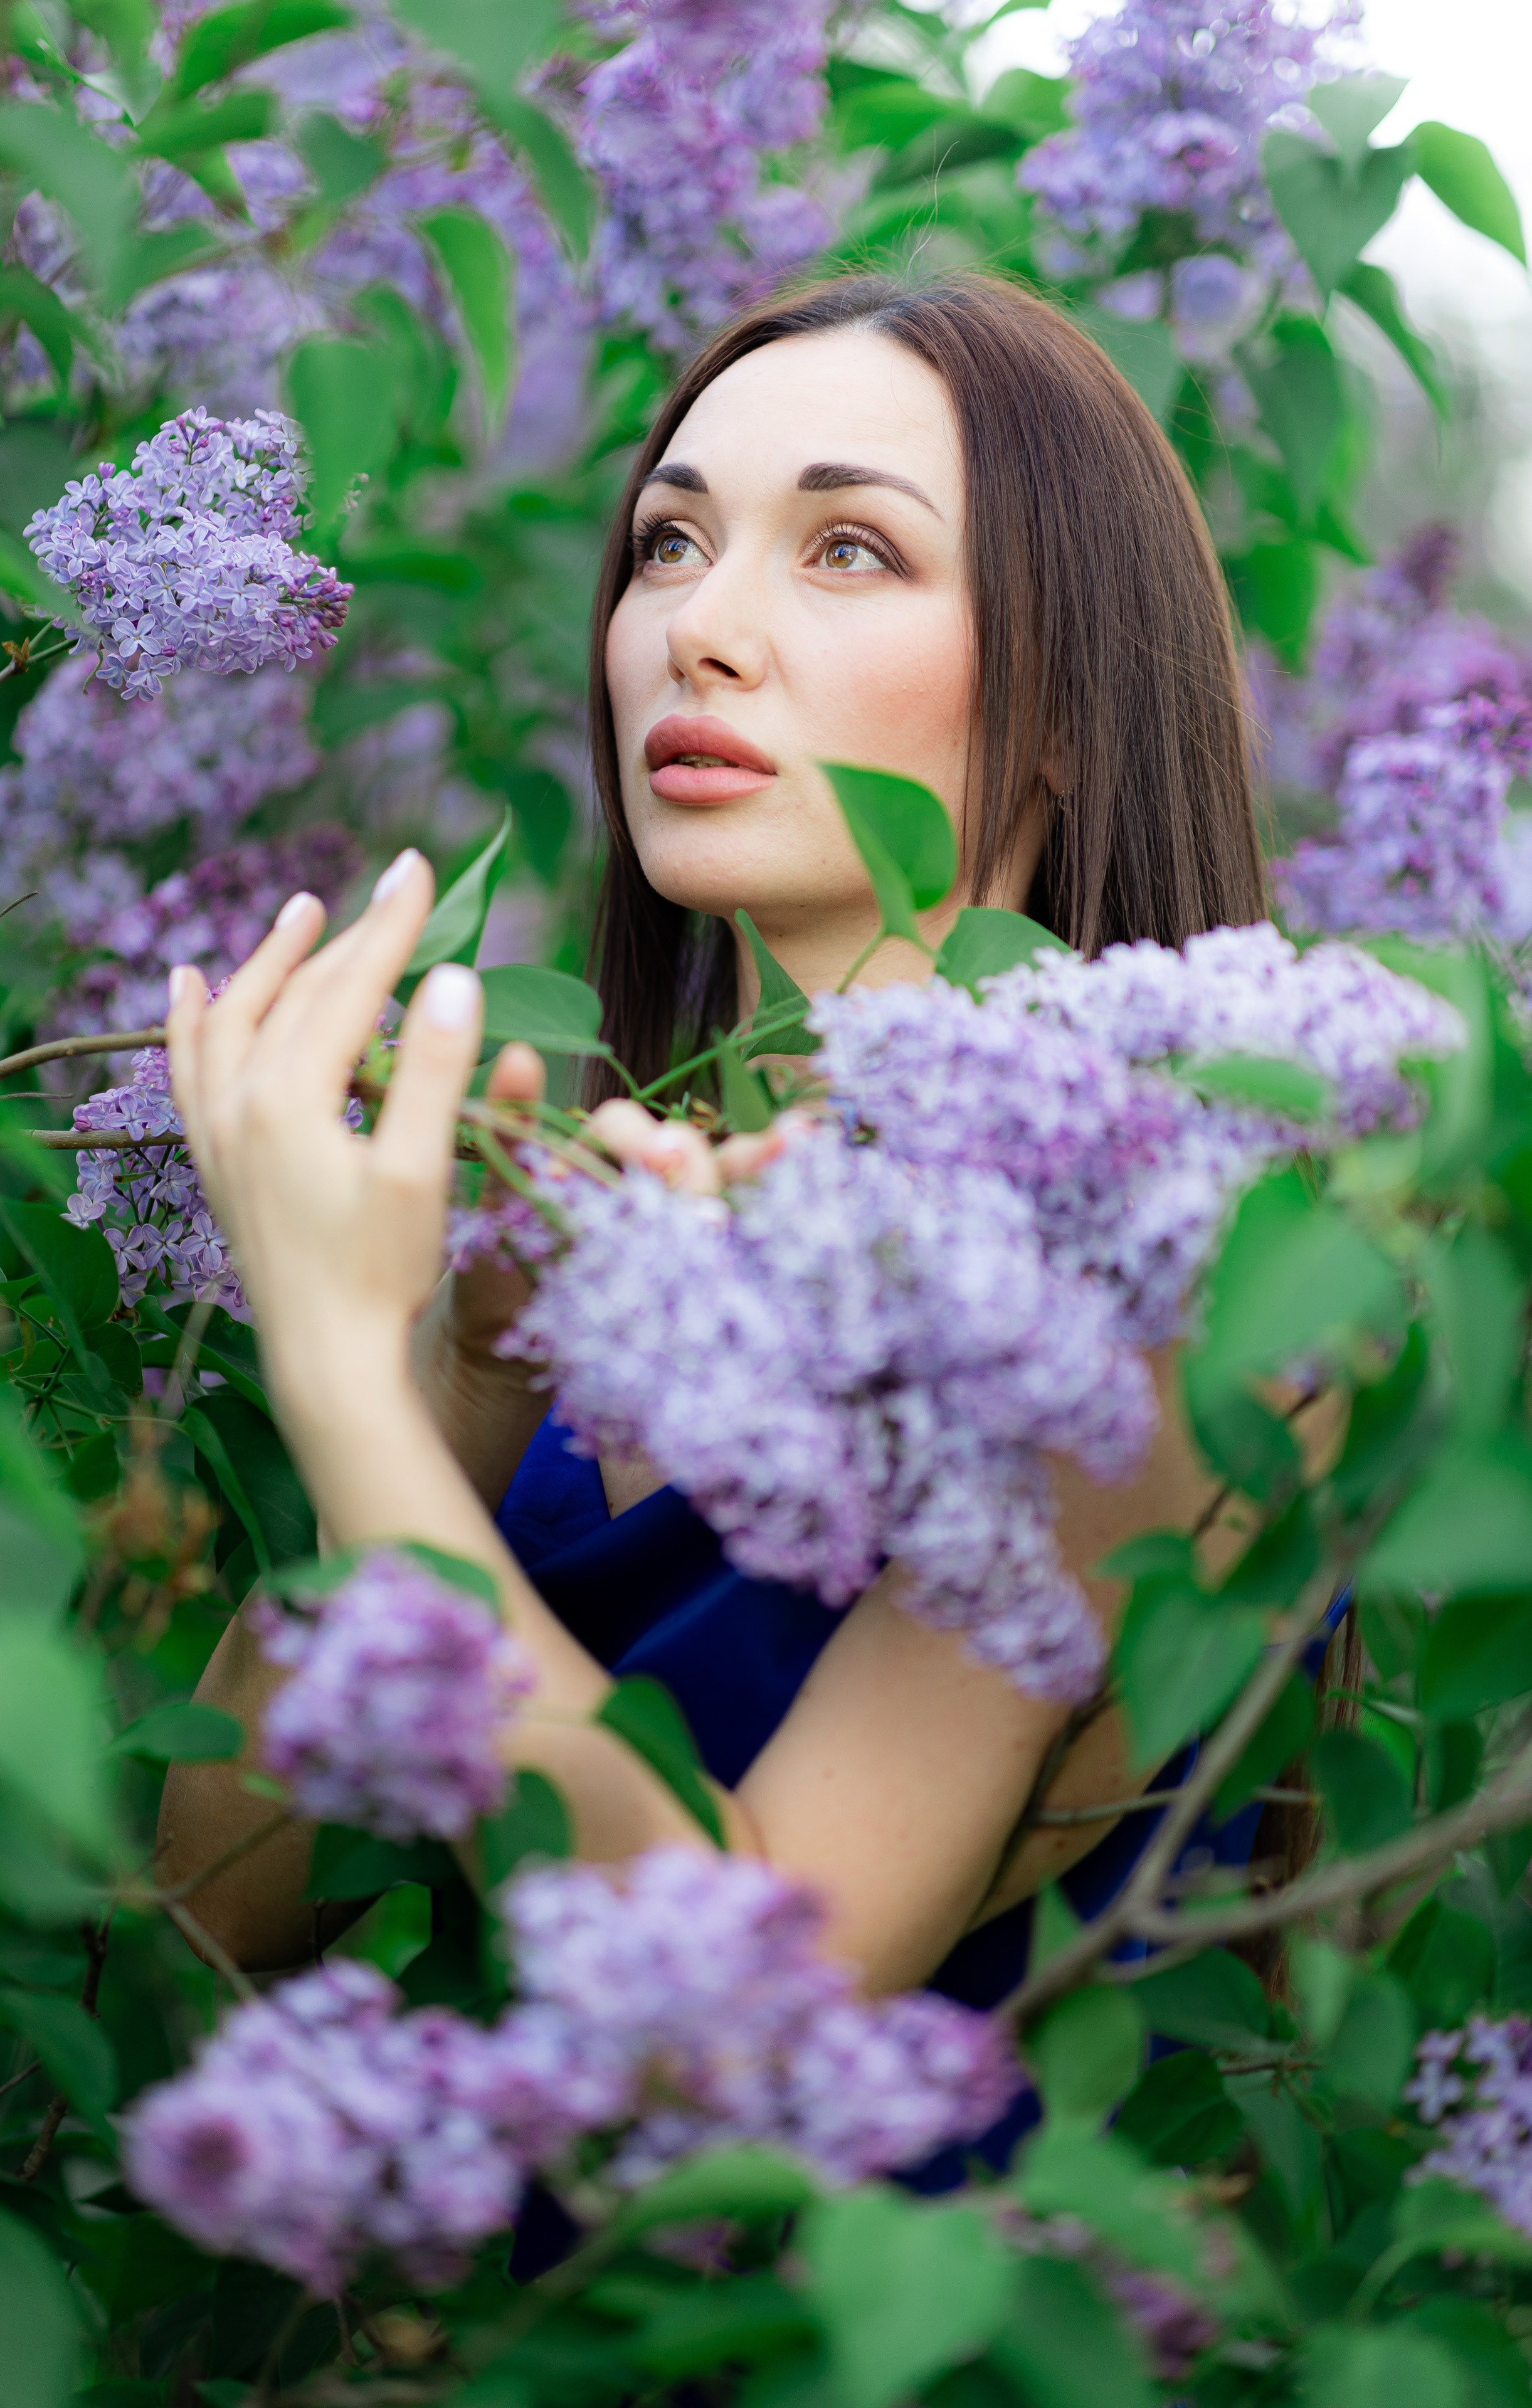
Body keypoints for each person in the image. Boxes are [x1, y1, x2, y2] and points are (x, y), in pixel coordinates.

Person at [158, 272, 1285, 2015]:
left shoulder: (1135, 1268)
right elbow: (207, 1915)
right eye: (671, 544)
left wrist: (334, 1371)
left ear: (1069, 707)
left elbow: (746, 2005)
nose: (698, 625)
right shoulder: (628, 1228)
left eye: (850, 552)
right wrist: (466, 1387)